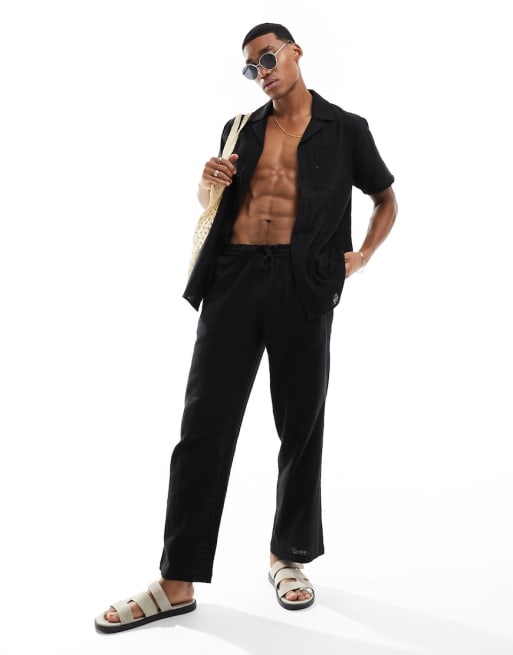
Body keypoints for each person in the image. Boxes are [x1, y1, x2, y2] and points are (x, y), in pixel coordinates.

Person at [95, 21, 397, 633]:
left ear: (295, 51)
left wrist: (361, 256)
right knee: (203, 426)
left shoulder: (346, 129)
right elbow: (213, 205)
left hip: (302, 284)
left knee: (300, 424)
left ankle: (288, 555)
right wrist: (206, 184)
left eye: (269, 57)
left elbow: (386, 198)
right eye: (252, 67)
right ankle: (177, 581)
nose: (262, 72)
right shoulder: (241, 128)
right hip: (233, 279)